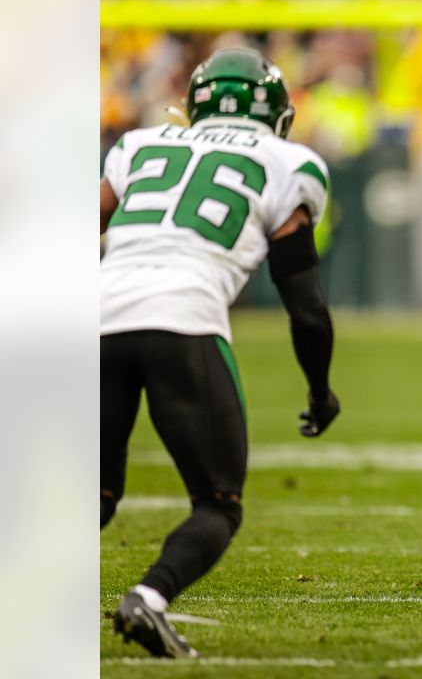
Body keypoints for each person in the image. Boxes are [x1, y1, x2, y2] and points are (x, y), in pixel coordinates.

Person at [100, 48, 341, 658]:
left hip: (96, 317)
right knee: (218, 503)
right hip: (184, 319)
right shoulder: (290, 162)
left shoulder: (138, 145)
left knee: (94, 495)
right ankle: (149, 599)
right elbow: (304, 301)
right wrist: (319, 388)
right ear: (279, 115)